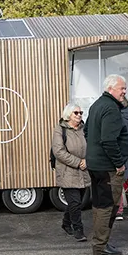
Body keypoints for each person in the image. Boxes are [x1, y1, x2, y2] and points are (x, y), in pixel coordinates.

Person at [84, 75, 128, 255]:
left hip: (95, 164)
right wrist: (119, 163)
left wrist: (94, 151)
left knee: (99, 204)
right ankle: (101, 245)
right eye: (122, 88)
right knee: (108, 206)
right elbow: (109, 140)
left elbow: (87, 131)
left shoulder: (97, 105)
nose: (124, 92)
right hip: (107, 167)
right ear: (111, 89)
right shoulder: (111, 108)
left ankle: (100, 242)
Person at [52, 103, 90, 242]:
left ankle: (65, 223)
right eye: (76, 112)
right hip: (67, 171)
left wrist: (87, 160)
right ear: (68, 115)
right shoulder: (60, 130)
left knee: (78, 202)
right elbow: (59, 151)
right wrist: (78, 162)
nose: (79, 115)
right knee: (74, 202)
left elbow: (91, 145)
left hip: (83, 171)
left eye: (81, 112)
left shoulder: (84, 129)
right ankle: (78, 229)